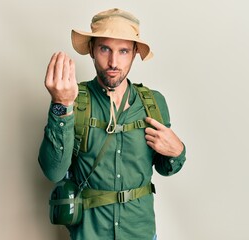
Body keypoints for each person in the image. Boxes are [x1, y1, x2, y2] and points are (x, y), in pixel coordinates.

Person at [39, 8, 186, 240]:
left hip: (141, 232)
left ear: (135, 53)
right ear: (91, 50)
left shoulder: (154, 103)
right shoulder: (73, 99)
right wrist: (61, 105)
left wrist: (178, 152)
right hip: (89, 234)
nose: (113, 62)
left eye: (124, 51)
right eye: (105, 49)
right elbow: (53, 171)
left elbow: (166, 168)